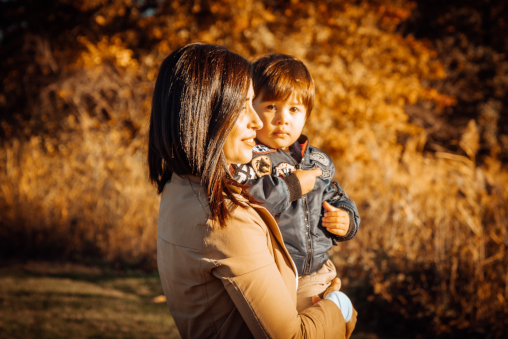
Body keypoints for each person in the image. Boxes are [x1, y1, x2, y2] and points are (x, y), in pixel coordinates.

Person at [149, 43, 357, 338]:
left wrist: (347, 218)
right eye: (243, 106)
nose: (258, 121)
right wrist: (341, 307)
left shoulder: (179, 186)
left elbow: (333, 196)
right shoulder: (227, 218)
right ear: (207, 113)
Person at [231, 53, 361, 311]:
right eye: (271, 107)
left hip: (315, 273)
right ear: (251, 108)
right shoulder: (248, 156)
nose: (282, 119)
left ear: (306, 114)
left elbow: (335, 196)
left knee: (313, 328)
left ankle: (338, 311)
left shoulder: (318, 161)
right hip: (271, 272)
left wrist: (346, 219)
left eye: (293, 109)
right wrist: (292, 186)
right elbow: (249, 199)